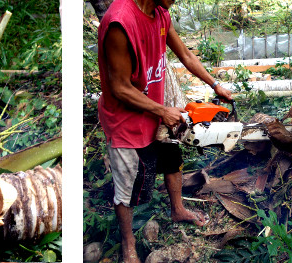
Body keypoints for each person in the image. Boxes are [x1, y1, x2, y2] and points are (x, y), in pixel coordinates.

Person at [96, 0, 233, 261]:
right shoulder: (120, 23)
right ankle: (129, 245)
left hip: (155, 108)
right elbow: (120, 88)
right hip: (125, 119)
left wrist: (215, 85)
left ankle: (177, 209)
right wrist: (162, 111)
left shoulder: (160, 13)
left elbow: (186, 55)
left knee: (172, 159)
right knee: (127, 184)